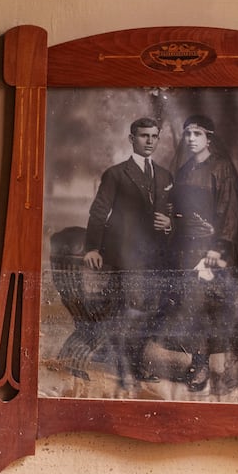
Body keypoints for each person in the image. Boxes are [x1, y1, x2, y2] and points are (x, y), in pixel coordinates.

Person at [81, 117, 173, 389]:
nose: (149, 141)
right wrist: (92, 247)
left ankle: (124, 355)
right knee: (132, 307)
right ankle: (131, 363)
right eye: (143, 136)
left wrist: (170, 224)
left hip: (156, 255)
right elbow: (99, 211)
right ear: (131, 139)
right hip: (126, 253)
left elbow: (171, 212)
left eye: (154, 136)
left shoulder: (166, 176)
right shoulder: (116, 174)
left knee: (153, 307)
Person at [161, 114, 238, 392]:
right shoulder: (183, 171)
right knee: (186, 306)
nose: (191, 139)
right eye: (188, 134)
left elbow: (229, 212)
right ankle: (197, 361)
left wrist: (216, 250)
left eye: (197, 134)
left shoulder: (221, 168)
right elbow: (178, 211)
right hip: (183, 247)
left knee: (203, 307)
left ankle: (202, 365)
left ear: (209, 137)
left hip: (208, 251)